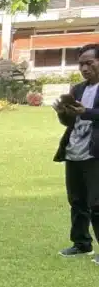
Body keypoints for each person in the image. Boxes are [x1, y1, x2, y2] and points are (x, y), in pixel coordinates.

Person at [53, 44, 99, 263]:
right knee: (77, 201)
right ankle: (81, 244)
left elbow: (88, 114)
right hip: (74, 151)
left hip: (95, 154)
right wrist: (63, 113)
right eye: (81, 64)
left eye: (89, 63)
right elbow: (70, 122)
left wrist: (87, 112)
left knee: (97, 203)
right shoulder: (78, 89)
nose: (84, 68)